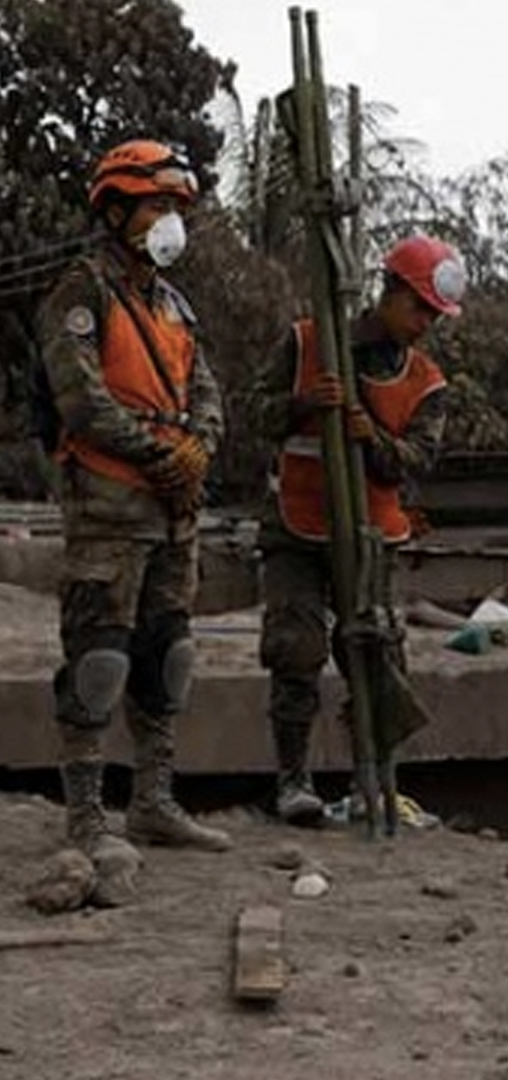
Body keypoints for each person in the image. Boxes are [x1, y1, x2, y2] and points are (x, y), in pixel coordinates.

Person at [35, 139, 231, 876]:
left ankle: (153, 801)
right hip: (110, 507)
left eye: (176, 206)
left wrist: (199, 449)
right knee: (98, 658)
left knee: (168, 654)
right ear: (115, 210)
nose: (169, 219)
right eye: (156, 205)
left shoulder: (173, 305)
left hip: (174, 510)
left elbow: (206, 392)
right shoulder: (80, 293)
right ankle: (87, 819)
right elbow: (81, 401)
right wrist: (160, 455)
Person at [252, 235, 461, 825]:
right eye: (419, 308)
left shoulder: (427, 382)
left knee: (376, 656)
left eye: (434, 315)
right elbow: (254, 413)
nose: (424, 324)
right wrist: (304, 404)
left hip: (372, 536)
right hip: (297, 525)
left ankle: (374, 780)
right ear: (389, 292)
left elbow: (416, 459)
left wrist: (372, 438)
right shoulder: (307, 343)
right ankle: (293, 780)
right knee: (296, 650)